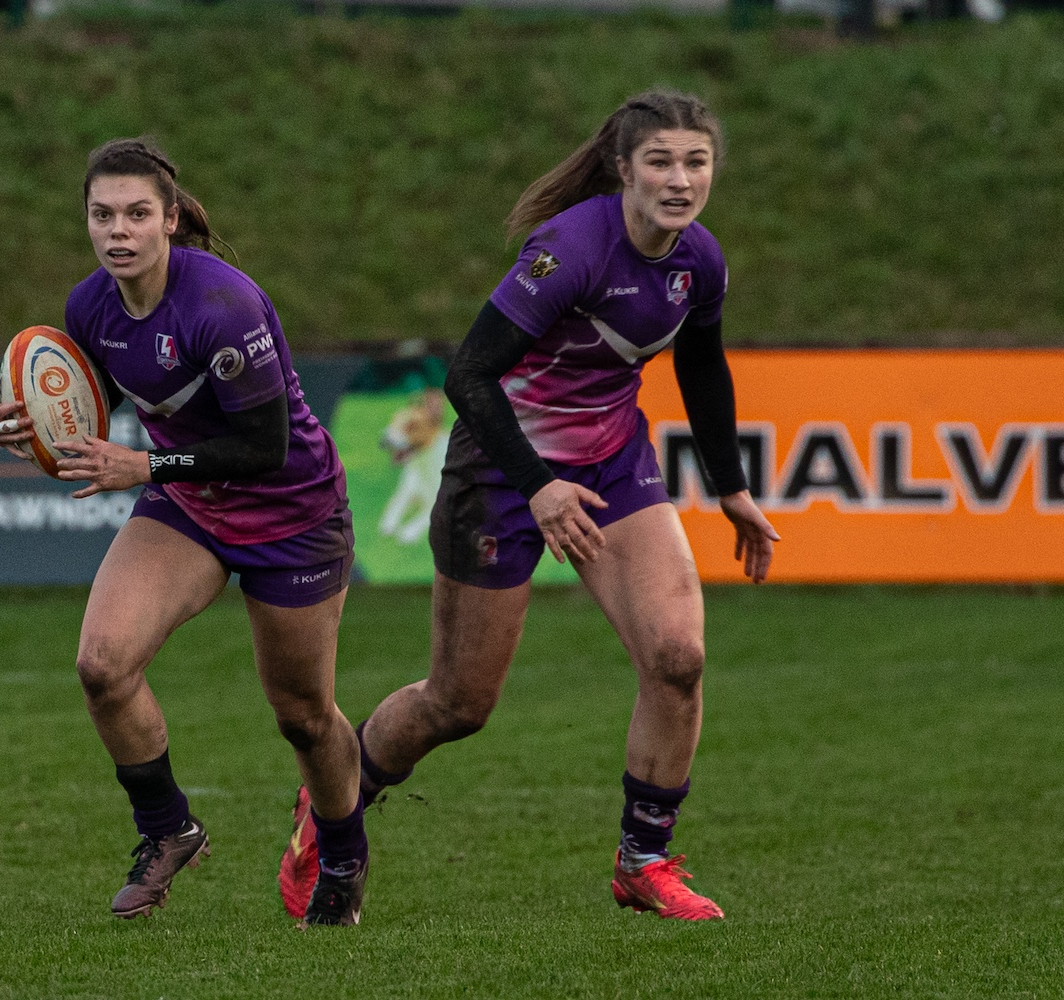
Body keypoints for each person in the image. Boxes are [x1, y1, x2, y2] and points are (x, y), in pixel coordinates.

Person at [279, 91, 778, 921]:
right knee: (458, 704)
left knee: (677, 656)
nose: (680, 179)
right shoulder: (568, 252)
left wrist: (732, 489)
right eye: (660, 161)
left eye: (697, 162)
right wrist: (538, 486)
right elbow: (468, 376)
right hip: (500, 472)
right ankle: (331, 808)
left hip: (612, 463)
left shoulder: (700, 260)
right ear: (624, 169)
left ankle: (643, 862)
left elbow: (702, 367)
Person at [0, 138, 367, 926]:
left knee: (302, 715)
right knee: (102, 665)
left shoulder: (223, 307)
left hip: (291, 511)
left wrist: (145, 466)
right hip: (190, 503)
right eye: (102, 215)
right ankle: (167, 829)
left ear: (171, 219)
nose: (118, 231)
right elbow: (86, 412)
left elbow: (265, 448)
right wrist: (20, 428)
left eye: (136, 214)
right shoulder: (91, 306)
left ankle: (342, 857)